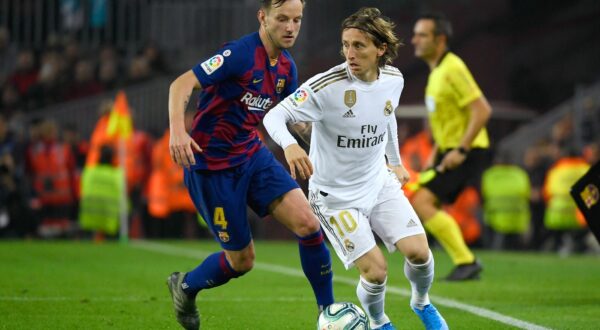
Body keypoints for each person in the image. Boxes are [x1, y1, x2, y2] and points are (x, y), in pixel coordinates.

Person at [264, 7, 447, 330]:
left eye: (359, 46)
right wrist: (290, 145)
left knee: (419, 252)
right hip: (335, 197)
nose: (350, 53)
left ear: (381, 49)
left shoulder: (394, 79)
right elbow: (274, 116)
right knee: (376, 272)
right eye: (346, 44)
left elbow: (386, 116)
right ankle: (378, 321)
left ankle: (422, 302)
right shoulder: (326, 86)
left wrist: (395, 162)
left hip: (378, 183)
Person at [166, 1, 334, 328]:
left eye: (297, 20)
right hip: (212, 168)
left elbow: (293, 119)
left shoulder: (287, 67)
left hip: (252, 156)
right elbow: (180, 84)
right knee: (242, 261)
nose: (290, 27)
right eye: (282, 18)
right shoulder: (239, 54)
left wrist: (328, 143)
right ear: (263, 17)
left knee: (309, 225)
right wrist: (177, 131)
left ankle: (327, 316)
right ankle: (184, 285)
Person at [411, 13, 492, 280]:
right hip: (450, 150)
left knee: (422, 202)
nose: (415, 40)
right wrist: (435, 155)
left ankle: (466, 260)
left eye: (422, 35)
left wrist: (461, 150)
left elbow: (482, 110)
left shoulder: (453, 68)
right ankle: (465, 261)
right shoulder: (436, 73)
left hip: (468, 149)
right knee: (422, 202)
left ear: (440, 39)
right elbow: (444, 125)